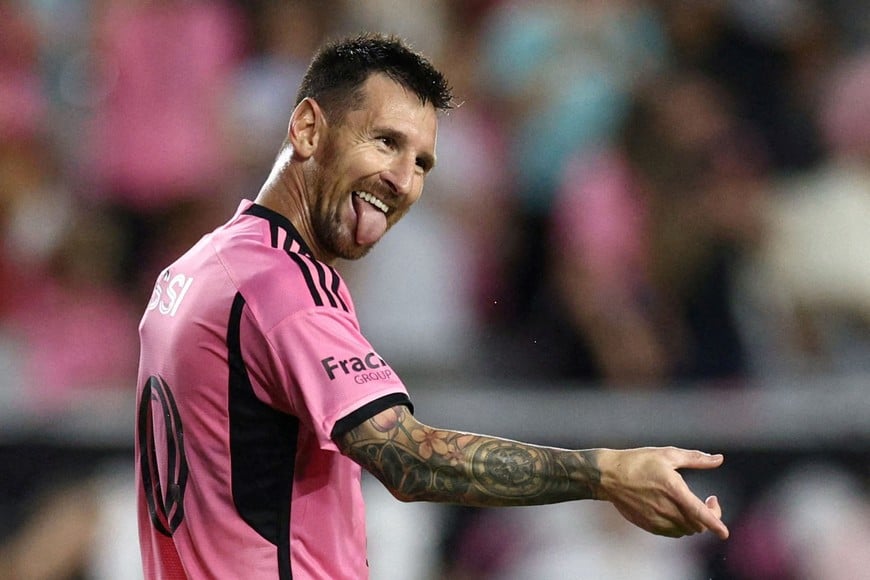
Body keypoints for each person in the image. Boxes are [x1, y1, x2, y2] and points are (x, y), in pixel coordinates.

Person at [135, 33, 729, 579]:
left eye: (421, 163)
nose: (403, 180)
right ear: (309, 130)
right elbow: (406, 457)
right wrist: (606, 473)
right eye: (386, 142)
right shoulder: (284, 286)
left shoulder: (194, 271)